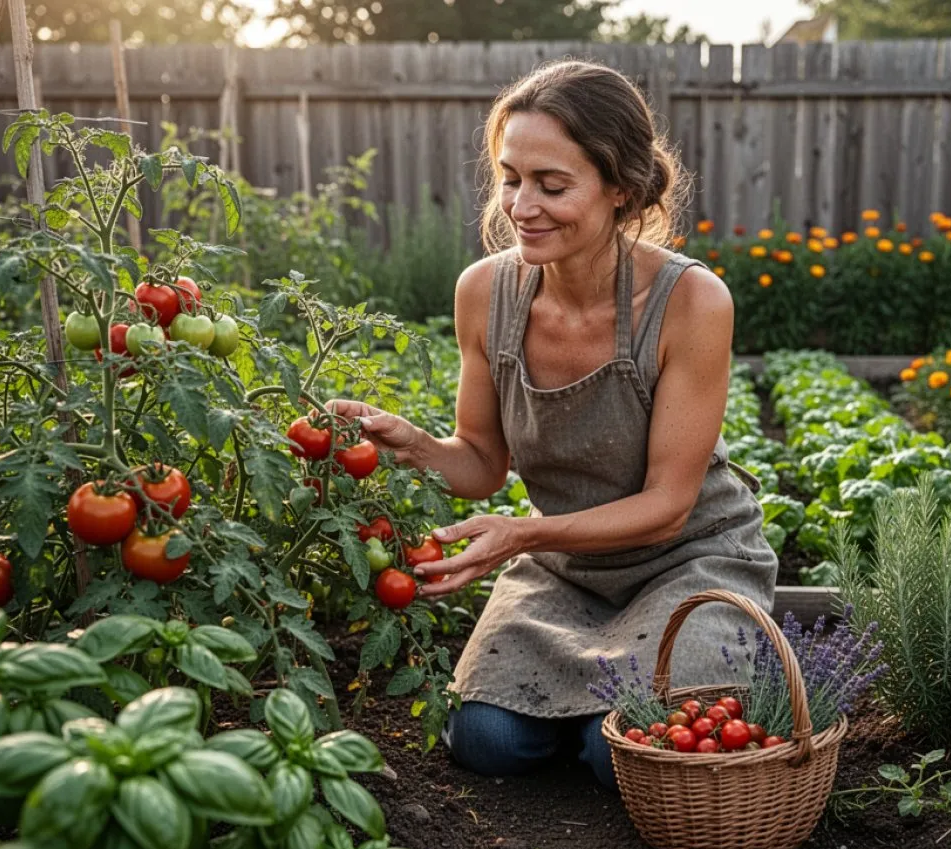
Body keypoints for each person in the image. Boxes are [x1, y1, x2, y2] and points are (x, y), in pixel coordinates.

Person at [329, 60, 778, 790]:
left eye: (552, 185)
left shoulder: (691, 301)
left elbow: (667, 507)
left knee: (622, 754)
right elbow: (480, 463)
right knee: (486, 740)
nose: (521, 205)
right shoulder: (486, 294)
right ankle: (602, 697)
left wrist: (524, 533)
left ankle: (711, 658)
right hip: (568, 571)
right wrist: (415, 447)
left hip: (690, 560)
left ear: (621, 190)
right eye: (511, 178)